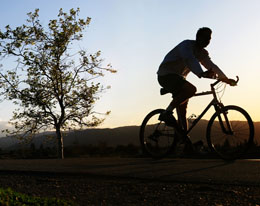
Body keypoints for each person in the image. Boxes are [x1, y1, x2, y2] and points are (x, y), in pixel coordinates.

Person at [157, 27, 236, 133]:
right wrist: (201, 73)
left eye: (209, 38)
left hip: (179, 79)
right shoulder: (187, 45)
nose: (207, 41)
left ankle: (183, 139)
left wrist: (225, 79)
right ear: (198, 37)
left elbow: (211, 66)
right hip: (166, 75)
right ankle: (166, 114)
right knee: (191, 90)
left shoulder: (202, 53)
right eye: (205, 37)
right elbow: (190, 59)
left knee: (182, 111)